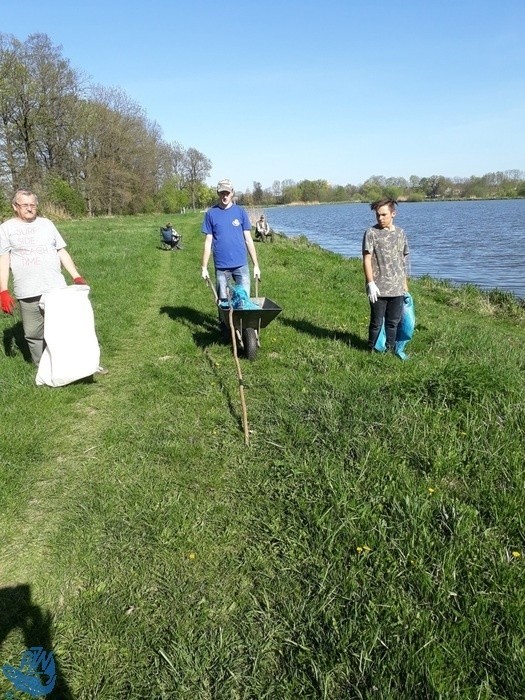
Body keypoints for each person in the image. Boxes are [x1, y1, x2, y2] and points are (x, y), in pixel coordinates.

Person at [0, 188, 105, 372]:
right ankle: (43, 370)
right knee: (33, 334)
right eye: (25, 205)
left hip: (55, 287)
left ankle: (81, 366)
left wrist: (76, 276)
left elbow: (61, 251)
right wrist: (3, 291)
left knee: (66, 329)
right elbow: (4, 259)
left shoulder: (47, 224)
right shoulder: (6, 228)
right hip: (27, 290)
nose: (30, 208)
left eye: (33, 204)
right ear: (15, 207)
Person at [201, 178, 261, 313]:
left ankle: (245, 329)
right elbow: (208, 242)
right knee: (224, 305)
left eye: (227, 193)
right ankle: (225, 329)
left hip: (241, 265)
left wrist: (256, 265)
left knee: (244, 302)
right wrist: (204, 267)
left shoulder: (240, 212)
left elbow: (248, 240)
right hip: (222, 267)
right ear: (218, 193)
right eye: (222, 193)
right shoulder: (211, 214)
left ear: (232, 193)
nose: (225, 196)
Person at [362, 198, 409, 354]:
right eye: (378, 215)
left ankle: (389, 350)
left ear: (393, 214)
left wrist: (405, 287)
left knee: (393, 322)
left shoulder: (401, 233)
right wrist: (370, 283)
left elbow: (403, 261)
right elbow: (367, 259)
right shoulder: (371, 233)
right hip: (378, 287)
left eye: (384, 215)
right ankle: (372, 350)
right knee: (376, 322)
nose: (380, 218)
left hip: (397, 288)